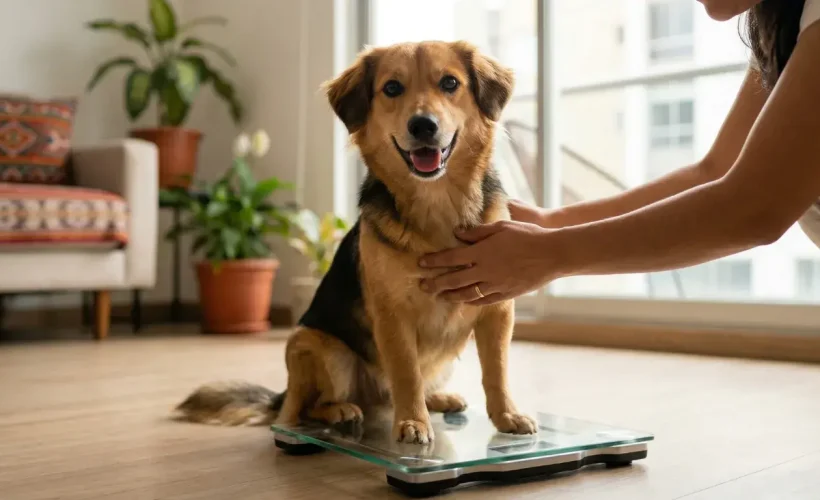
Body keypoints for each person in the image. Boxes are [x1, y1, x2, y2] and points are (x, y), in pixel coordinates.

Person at [418, 0, 820, 305]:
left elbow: (753, 209)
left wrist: (549, 254)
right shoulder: (785, 29)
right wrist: (551, 223)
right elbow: (716, 171)